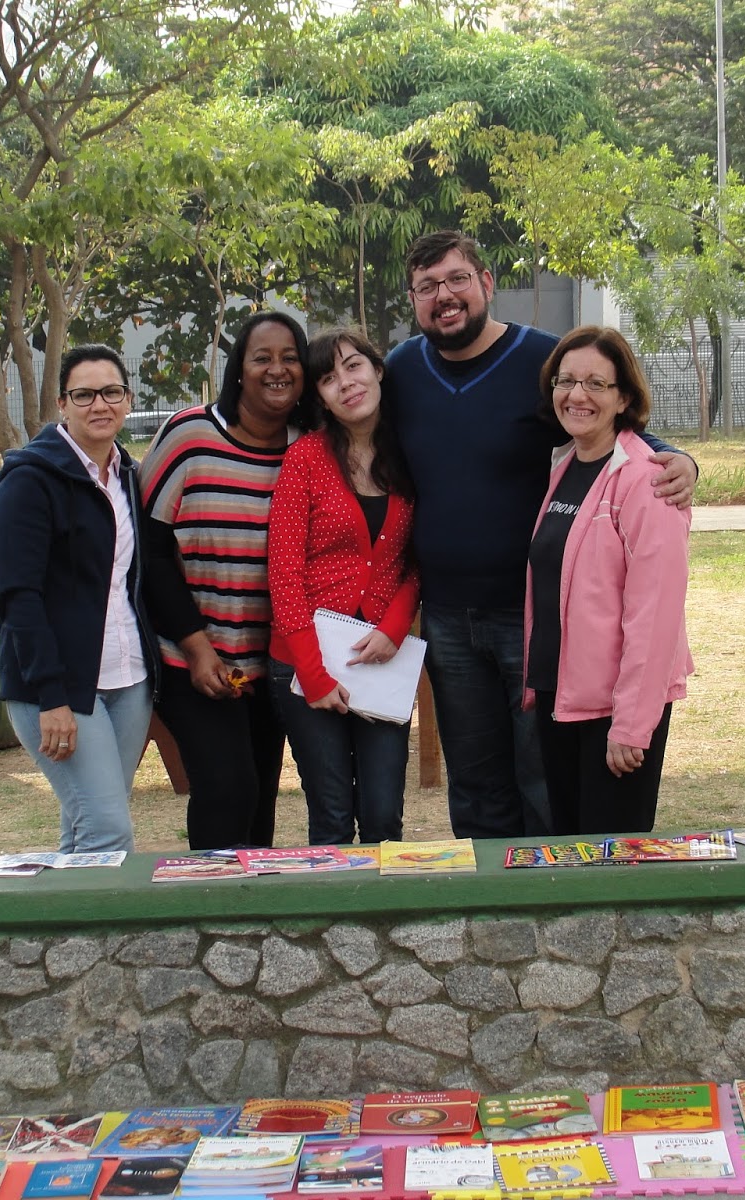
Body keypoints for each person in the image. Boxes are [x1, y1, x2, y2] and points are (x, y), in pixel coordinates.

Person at [383, 229, 698, 840]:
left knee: (543, 780)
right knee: (475, 785)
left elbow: (610, 420)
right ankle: (490, 895)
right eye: (426, 287)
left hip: (532, 617)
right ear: (413, 300)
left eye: (457, 279)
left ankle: (550, 895)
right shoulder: (402, 371)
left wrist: (681, 459)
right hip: (446, 615)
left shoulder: (542, 361)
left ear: (486, 282)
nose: (444, 296)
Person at [141, 312, 318, 851]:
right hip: (190, 655)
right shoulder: (190, 436)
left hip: (273, 661)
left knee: (259, 796)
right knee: (227, 787)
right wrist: (198, 650)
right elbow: (150, 549)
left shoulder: (311, 447)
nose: (277, 369)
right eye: (262, 358)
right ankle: (208, 895)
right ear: (239, 369)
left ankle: (250, 900)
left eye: (290, 358)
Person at [524, 326, 692, 835]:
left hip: (614, 712)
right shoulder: (565, 466)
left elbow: (655, 614)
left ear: (624, 398)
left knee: (611, 861)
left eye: (596, 383)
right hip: (560, 697)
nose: (577, 395)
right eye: (566, 380)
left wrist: (632, 724)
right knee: (570, 853)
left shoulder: (648, 480)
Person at [0, 343, 157, 854]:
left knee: (87, 827)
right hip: (60, 688)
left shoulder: (127, 476)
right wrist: (51, 697)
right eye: (84, 395)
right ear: (62, 404)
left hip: (128, 681)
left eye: (111, 392)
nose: (99, 405)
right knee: (108, 831)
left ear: (128, 399)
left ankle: (66, 906)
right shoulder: (29, 482)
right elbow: (19, 598)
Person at [267, 328, 419, 845]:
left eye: (354, 366)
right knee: (331, 818)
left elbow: (418, 560)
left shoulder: (408, 454)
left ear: (377, 370)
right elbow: (283, 572)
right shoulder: (305, 459)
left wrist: (395, 627)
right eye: (329, 378)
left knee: (382, 816)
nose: (346, 383)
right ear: (320, 398)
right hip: (304, 661)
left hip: (381, 657)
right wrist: (313, 674)